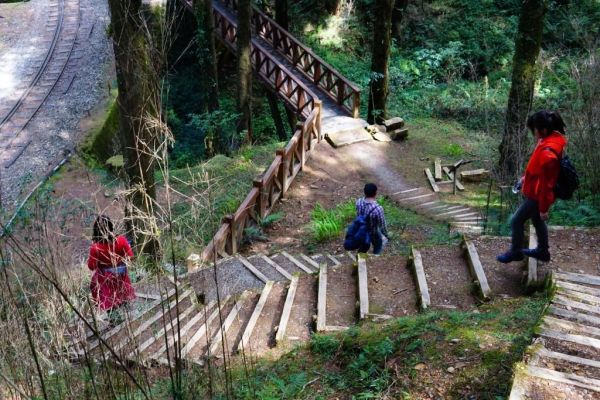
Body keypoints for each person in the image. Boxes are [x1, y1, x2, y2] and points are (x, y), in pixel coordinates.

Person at [497, 110, 567, 263]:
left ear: (543, 130)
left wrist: (543, 208)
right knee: (536, 220)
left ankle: (516, 252)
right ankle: (543, 251)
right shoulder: (549, 139)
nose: (533, 132)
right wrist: (525, 178)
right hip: (535, 189)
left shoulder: (548, 153)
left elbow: (547, 185)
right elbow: (537, 170)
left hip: (538, 195)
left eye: (534, 129)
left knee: (517, 220)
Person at [87, 215, 136, 312]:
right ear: (111, 226)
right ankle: (129, 315)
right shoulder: (121, 240)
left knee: (107, 299)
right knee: (123, 294)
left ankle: (115, 320)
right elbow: (130, 256)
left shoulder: (95, 247)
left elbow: (91, 267)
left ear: (96, 230)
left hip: (105, 278)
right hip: (122, 274)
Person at [356, 183, 389, 254]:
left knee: (363, 247)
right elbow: (382, 225)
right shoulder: (378, 209)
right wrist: (387, 235)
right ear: (375, 193)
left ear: (364, 192)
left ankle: (359, 259)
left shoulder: (358, 202)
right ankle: (375, 259)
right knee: (378, 246)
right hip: (373, 232)